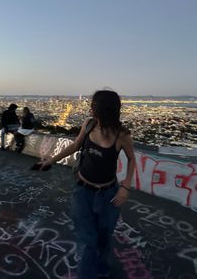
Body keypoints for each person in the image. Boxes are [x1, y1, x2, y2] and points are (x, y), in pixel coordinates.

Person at [39, 90, 136, 279]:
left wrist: (126, 187)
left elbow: (132, 159)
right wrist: (51, 160)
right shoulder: (89, 125)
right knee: (88, 242)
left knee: (104, 238)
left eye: (93, 106)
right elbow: (75, 145)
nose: (90, 109)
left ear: (99, 109)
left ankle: (103, 268)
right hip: (82, 191)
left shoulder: (122, 135)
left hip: (108, 194)